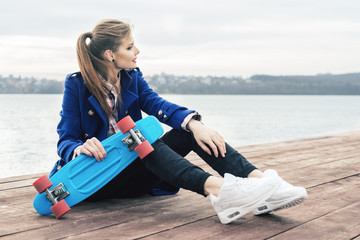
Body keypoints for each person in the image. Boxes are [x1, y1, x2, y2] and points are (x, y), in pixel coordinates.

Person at [52, 19, 307, 224]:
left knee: (185, 132)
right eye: (129, 47)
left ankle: (261, 184)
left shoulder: (132, 78)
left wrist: (195, 124)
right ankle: (220, 190)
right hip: (97, 181)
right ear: (110, 54)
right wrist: (78, 148)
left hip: (135, 173)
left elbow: (157, 104)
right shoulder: (77, 85)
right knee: (139, 139)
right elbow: (66, 138)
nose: (137, 51)